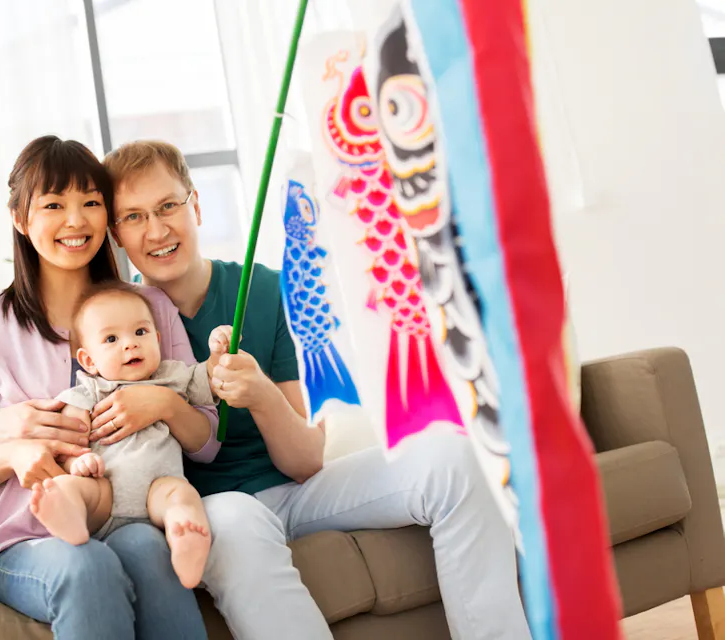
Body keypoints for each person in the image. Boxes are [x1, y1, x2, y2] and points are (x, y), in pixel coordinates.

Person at [101, 139, 532, 640]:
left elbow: (306, 461)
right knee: (238, 521)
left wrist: (261, 392)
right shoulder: (115, 325)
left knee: (460, 459)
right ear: (116, 234)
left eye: (168, 206)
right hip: (213, 507)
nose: (156, 230)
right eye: (133, 217)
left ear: (195, 205)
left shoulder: (267, 290)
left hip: (301, 491)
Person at [0, 135, 214, 639]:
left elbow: (208, 442)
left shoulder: (149, 307)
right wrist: (15, 453)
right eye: (53, 205)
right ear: (20, 219)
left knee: (151, 551)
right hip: (22, 540)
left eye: (90, 202)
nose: (75, 219)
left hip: (131, 518)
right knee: (85, 565)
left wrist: (166, 403)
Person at [29, 281, 232, 589]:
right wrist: (77, 464)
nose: (130, 344)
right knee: (70, 485)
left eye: (140, 332)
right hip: (103, 491)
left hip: (157, 491)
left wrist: (220, 355)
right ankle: (68, 515)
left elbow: (210, 380)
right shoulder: (90, 390)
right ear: (88, 361)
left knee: (182, 495)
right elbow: (69, 441)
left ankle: (186, 536)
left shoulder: (172, 376)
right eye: (111, 338)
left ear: (158, 339)